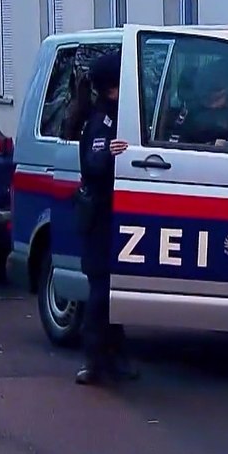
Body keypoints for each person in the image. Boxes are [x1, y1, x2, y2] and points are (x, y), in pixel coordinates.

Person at [73, 51, 138, 385]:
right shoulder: (102, 120)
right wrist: (115, 155)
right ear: (113, 86)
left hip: (110, 214)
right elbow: (96, 164)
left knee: (111, 288)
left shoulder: (115, 115)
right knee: (101, 291)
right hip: (99, 216)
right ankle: (95, 360)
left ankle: (116, 358)